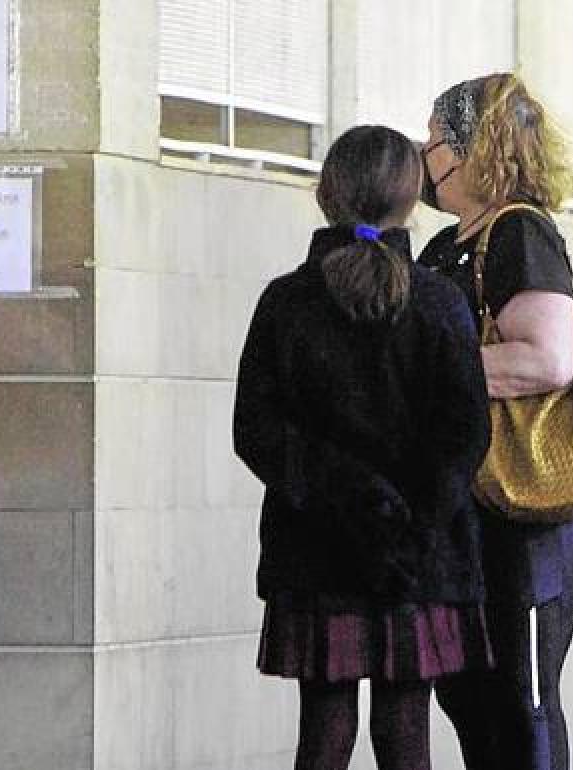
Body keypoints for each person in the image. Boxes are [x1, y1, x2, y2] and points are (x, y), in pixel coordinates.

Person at [233, 124, 493, 770]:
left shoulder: (285, 302)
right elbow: (465, 436)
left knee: (322, 731)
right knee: (406, 731)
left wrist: (343, 498)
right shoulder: (439, 303)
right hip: (421, 558)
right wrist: (410, 526)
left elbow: (256, 431)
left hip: (315, 557)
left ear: (327, 193)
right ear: (410, 200)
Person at [418, 74, 573, 770]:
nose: (425, 156)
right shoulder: (450, 244)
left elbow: (548, 360)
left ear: (470, 150)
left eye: (434, 140)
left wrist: (429, 377)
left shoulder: (520, 233)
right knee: (468, 685)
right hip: (482, 499)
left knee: (521, 684)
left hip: (542, 501)